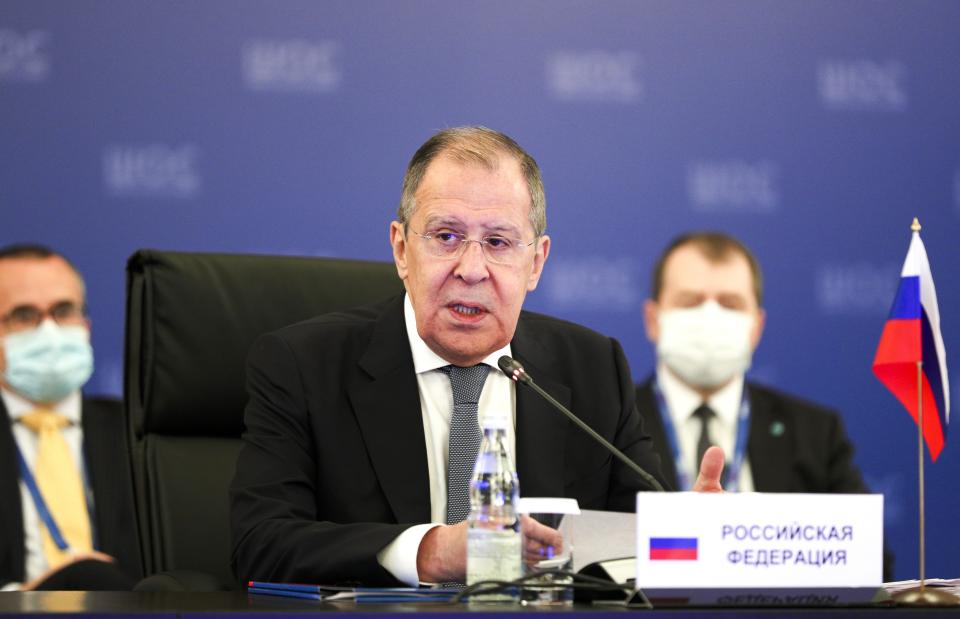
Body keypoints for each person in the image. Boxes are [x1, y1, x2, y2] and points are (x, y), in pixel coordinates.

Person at [230, 126, 724, 588]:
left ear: (536, 262)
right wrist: (433, 551)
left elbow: (634, 542)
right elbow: (261, 544)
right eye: (445, 236)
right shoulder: (302, 365)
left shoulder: (593, 368)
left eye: (498, 242)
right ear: (402, 249)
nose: (471, 269)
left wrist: (689, 537)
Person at [0, 244, 140, 591]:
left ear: (86, 324)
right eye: (24, 315)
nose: (50, 331)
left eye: (64, 311)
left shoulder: (141, 434)